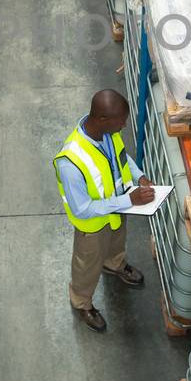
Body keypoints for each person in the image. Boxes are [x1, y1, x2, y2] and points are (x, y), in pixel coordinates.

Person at [53, 89, 153, 331]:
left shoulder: (108, 133)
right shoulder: (70, 161)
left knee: (117, 243)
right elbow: (83, 209)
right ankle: (81, 301)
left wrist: (139, 177)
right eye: (121, 120)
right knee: (87, 265)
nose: (125, 124)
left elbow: (121, 157)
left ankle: (114, 264)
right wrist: (129, 201)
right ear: (102, 119)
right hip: (94, 226)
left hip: (117, 211)